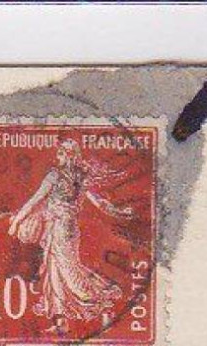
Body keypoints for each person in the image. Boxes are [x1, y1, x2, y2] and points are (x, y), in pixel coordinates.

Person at [8, 139, 135, 330]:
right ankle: (60, 316)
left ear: (68, 156)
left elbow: (35, 199)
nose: (57, 157)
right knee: (58, 266)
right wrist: (119, 212)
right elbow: (99, 202)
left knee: (63, 268)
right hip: (69, 228)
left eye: (60, 154)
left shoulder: (55, 175)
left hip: (59, 226)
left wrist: (17, 220)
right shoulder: (80, 177)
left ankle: (87, 296)